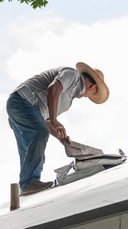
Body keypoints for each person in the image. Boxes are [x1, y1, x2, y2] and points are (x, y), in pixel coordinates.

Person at [7, 62, 109, 195]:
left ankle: (26, 186)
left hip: (21, 109)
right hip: (20, 101)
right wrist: (55, 120)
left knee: (28, 149)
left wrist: (59, 135)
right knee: (40, 134)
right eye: (93, 93)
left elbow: (44, 120)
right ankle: (29, 182)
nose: (87, 97)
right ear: (92, 86)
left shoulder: (67, 101)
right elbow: (53, 88)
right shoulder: (73, 75)